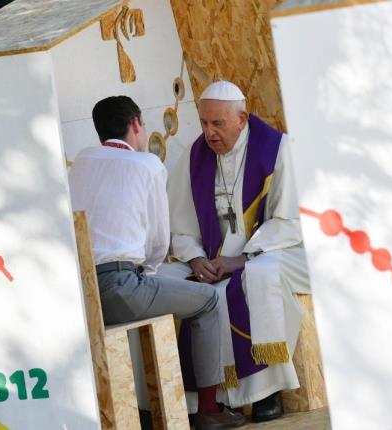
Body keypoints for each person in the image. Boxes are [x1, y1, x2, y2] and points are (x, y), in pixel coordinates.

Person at [68, 96, 246, 430]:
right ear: (136, 124)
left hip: (84, 291)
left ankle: (148, 406)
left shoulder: (82, 160)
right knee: (208, 300)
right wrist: (148, 274)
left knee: (171, 281)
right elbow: (158, 243)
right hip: (122, 287)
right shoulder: (148, 164)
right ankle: (208, 408)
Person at [165, 81, 311, 422]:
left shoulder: (276, 149)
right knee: (176, 283)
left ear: (242, 118)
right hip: (215, 261)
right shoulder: (194, 157)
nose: (209, 133)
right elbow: (181, 226)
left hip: (277, 250)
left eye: (218, 123)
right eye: (204, 123)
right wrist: (196, 258)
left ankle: (267, 392)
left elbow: (289, 220)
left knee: (258, 277)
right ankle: (214, 399)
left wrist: (242, 258)